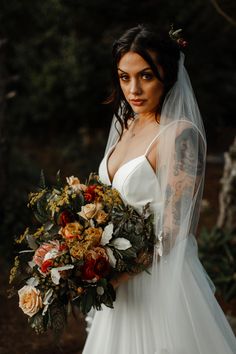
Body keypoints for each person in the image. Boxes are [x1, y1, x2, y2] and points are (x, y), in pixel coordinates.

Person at [82, 25, 236, 354]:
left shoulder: (180, 134)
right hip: (117, 282)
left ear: (166, 73)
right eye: (124, 77)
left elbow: (175, 227)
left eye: (146, 76)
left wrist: (119, 274)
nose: (133, 89)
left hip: (158, 282)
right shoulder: (130, 123)